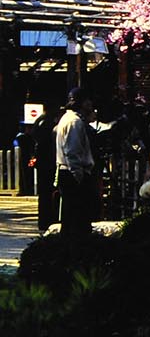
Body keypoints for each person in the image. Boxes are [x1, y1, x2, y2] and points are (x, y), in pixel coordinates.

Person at [53, 89, 106, 236]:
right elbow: (73, 151)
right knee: (78, 218)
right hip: (73, 173)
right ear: (81, 102)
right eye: (87, 100)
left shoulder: (67, 119)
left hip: (67, 171)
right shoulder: (74, 122)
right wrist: (79, 175)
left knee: (71, 217)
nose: (91, 104)